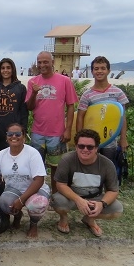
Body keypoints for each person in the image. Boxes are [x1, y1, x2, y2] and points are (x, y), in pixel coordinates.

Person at [0, 123, 50, 238]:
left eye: (18, 134)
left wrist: (21, 200)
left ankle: (33, 224)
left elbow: (39, 180)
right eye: (10, 134)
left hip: (35, 190)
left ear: (24, 137)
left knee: (38, 203)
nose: (14, 136)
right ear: (6, 137)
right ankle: (17, 215)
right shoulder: (2, 155)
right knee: (4, 202)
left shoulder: (32, 153)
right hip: (14, 189)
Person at [52, 129, 124, 237]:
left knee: (117, 209)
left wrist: (102, 204)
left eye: (90, 147)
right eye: (81, 146)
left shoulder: (107, 164)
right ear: (76, 147)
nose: (85, 149)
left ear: (96, 148)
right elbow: (60, 184)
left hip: (95, 199)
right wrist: (78, 199)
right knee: (57, 201)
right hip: (71, 197)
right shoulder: (67, 159)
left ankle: (90, 219)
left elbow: (113, 190)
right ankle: (63, 217)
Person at [26, 51, 78, 193]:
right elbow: (29, 107)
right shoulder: (32, 82)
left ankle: (55, 195)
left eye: (45, 62)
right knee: (36, 166)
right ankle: (36, 194)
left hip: (57, 133)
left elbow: (71, 105)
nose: (42, 65)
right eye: (40, 62)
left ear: (52, 62)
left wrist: (68, 129)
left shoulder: (64, 80)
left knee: (57, 167)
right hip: (37, 132)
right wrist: (35, 93)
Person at [76, 56, 129, 166]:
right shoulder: (87, 95)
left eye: (103, 68)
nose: (99, 71)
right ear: (92, 71)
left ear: (108, 71)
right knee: (90, 168)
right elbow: (80, 117)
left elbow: (122, 117)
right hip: (91, 141)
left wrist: (123, 138)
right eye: (96, 68)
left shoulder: (118, 92)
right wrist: (79, 140)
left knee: (109, 168)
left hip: (111, 140)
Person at [0, 57, 28, 133]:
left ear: (13, 70)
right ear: (0, 70)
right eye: (3, 68)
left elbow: (24, 111)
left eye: (8, 68)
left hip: (13, 131)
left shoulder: (21, 88)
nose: (5, 70)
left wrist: (24, 129)